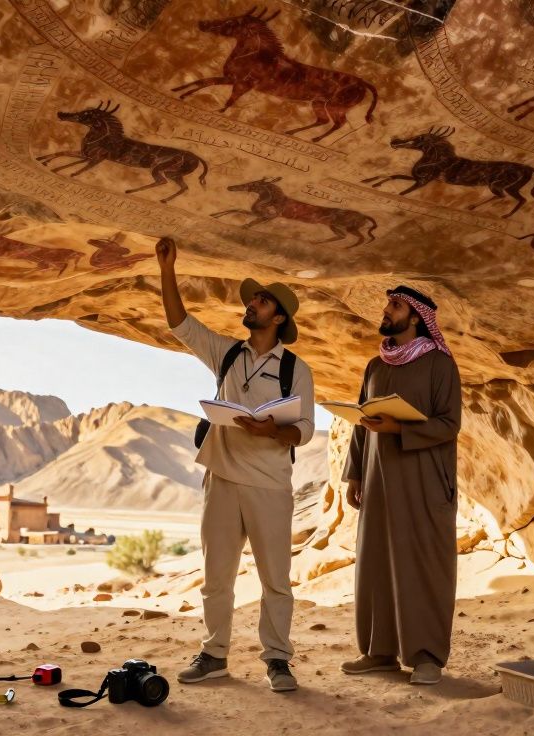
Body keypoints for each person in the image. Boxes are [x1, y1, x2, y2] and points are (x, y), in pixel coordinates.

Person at [155, 235, 315, 693]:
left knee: (276, 581)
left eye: (261, 301)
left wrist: (273, 431)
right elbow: (179, 323)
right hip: (221, 479)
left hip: (269, 485)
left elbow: (304, 428)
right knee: (216, 576)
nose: (252, 304)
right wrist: (167, 269)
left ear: (278, 317)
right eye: (252, 300)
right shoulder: (226, 353)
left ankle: (278, 661)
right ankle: (214, 654)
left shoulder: (294, 368)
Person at [340, 285, 462, 686]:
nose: (386, 310)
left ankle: (426, 656)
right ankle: (379, 652)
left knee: (423, 565)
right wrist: (354, 473)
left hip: (424, 480)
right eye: (388, 304)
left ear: (416, 318)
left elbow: (449, 424)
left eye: (395, 306)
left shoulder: (440, 365)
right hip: (377, 479)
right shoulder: (375, 366)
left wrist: (400, 428)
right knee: (376, 563)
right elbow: (362, 420)